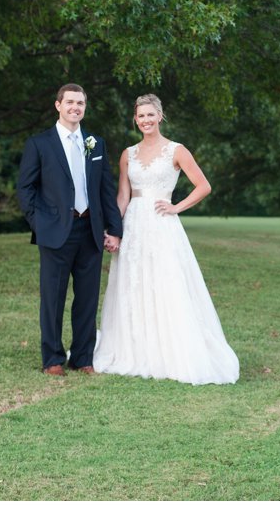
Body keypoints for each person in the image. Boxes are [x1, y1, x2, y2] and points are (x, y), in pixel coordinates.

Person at [93, 94, 239, 385]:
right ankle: (134, 348)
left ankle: (171, 351)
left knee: (165, 283)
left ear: (160, 116)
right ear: (135, 119)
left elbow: (203, 186)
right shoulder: (128, 154)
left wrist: (175, 207)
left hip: (162, 226)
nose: (145, 120)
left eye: (150, 115)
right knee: (133, 284)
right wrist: (115, 230)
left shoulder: (177, 150)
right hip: (133, 224)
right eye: (141, 116)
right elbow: (123, 196)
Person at [17, 84, 123, 376]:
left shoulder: (95, 143)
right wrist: (39, 223)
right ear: (58, 105)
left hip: (90, 230)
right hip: (55, 232)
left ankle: (82, 357)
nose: (76, 107)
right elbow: (25, 189)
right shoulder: (40, 144)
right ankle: (52, 359)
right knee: (53, 298)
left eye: (81, 103)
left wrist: (115, 229)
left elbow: (105, 189)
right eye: (70, 102)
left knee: (87, 298)